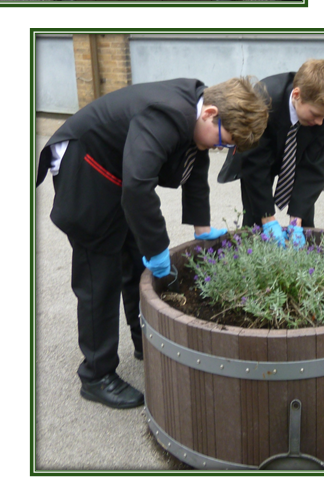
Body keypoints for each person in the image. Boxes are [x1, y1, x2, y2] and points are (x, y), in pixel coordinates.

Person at [35, 76, 269, 408]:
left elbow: (195, 160)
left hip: (117, 169)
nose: (223, 148)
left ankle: (143, 341)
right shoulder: (167, 115)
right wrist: (158, 249)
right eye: (226, 140)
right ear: (211, 113)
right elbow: (138, 185)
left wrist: (201, 228)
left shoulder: (199, 108)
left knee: (133, 256)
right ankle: (96, 375)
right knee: (98, 273)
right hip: (86, 164)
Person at [212, 60, 324, 247]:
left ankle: (304, 255)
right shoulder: (262, 101)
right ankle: (252, 258)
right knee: (256, 218)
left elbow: (313, 165)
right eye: (315, 115)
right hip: (256, 154)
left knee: (304, 218)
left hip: (297, 151)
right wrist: (268, 220)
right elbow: (255, 166)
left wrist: (296, 220)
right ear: (297, 95)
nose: (320, 122)